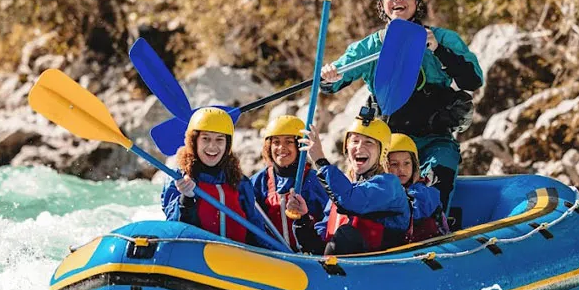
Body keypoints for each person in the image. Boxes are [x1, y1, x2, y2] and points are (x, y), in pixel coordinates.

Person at [319, 0, 483, 214]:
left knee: (438, 179)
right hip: (388, 142)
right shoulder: (370, 47)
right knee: (384, 196)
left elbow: (473, 79)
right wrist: (329, 75)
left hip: (433, 140)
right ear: (382, 4)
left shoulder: (443, 38)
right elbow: (332, 83)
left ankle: (435, 225)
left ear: (416, 2)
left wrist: (438, 50)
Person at [284, 112, 409, 256]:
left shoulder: (389, 185)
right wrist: (303, 218)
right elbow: (316, 248)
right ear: (347, 148)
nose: (359, 147)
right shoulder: (340, 191)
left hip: (381, 269)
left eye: (369, 142)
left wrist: (320, 161)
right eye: (355, 141)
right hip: (339, 269)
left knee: (346, 234)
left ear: (382, 152)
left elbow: (350, 201)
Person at [160, 106, 265, 245]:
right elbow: (174, 230)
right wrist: (187, 198)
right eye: (205, 139)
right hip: (196, 258)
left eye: (219, 140)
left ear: (227, 144)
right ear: (194, 142)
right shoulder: (178, 180)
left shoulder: (240, 182)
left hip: (239, 259)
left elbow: (255, 229)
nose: (212, 146)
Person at [249, 114, 330, 252]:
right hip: (271, 258)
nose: (281, 148)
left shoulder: (315, 181)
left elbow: (327, 224)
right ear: (269, 146)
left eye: (288, 142)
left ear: (299, 145)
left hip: (309, 256)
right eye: (276, 142)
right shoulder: (258, 182)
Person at [387, 133, 448, 243]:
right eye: (394, 164)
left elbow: (413, 213)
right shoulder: (380, 188)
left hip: (427, 246)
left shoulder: (424, 192)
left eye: (407, 163)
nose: (401, 169)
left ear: (414, 165)